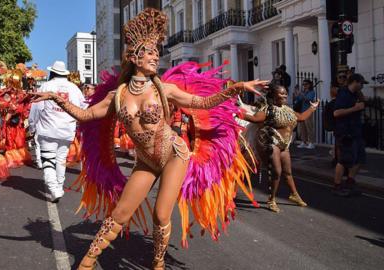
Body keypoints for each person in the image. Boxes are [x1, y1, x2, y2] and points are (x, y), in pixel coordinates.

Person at [32, 8, 266, 269]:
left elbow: (202, 102)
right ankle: (86, 263)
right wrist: (56, 99)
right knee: (120, 213)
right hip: (145, 161)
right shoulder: (117, 96)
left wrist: (235, 88)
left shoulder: (164, 89)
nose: (156, 56)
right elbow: (86, 115)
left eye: (157, 52)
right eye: (150, 52)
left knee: (161, 214)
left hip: (173, 155)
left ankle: (157, 263)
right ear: (134, 57)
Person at [244, 83, 319, 213]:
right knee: (277, 172)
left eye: (285, 93)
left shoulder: (287, 109)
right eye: (281, 93)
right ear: (273, 95)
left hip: (285, 145)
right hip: (273, 143)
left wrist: (312, 108)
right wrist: (236, 113)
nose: (284, 95)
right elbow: (254, 119)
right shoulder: (267, 110)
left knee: (288, 172)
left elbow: (301, 117)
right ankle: (271, 199)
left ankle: (294, 194)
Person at [29, 60, 86, 203]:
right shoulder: (74, 88)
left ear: (52, 72)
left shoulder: (46, 86)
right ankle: (59, 187)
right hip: (67, 130)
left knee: (48, 160)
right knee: (61, 160)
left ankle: (54, 189)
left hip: (48, 130)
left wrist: (31, 127)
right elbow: (84, 108)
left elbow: (36, 108)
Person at [332, 73, 367, 196]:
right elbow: (336, 113)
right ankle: (337, 185)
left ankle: (350, 182)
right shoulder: (344, 94)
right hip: (345, 132)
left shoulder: (355, 95)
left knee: (360, 158)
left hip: (356, 131)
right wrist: (355, 108)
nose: (362, 86)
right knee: (344, 160)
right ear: (355, 82)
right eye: (361, 83)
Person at [295, 79, 316, 149]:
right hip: (302, 112)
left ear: (309, 85)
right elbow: (298, 99)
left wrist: (302, 94)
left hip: (308, 111)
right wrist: (297, 94)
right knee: (302, 128)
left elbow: (309, 99)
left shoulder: (312, 92)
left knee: (309, 127)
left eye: (306, 84)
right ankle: (304, 141)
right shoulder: (303, 92)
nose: (304, 86)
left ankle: (311, 142)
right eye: (303, 84)